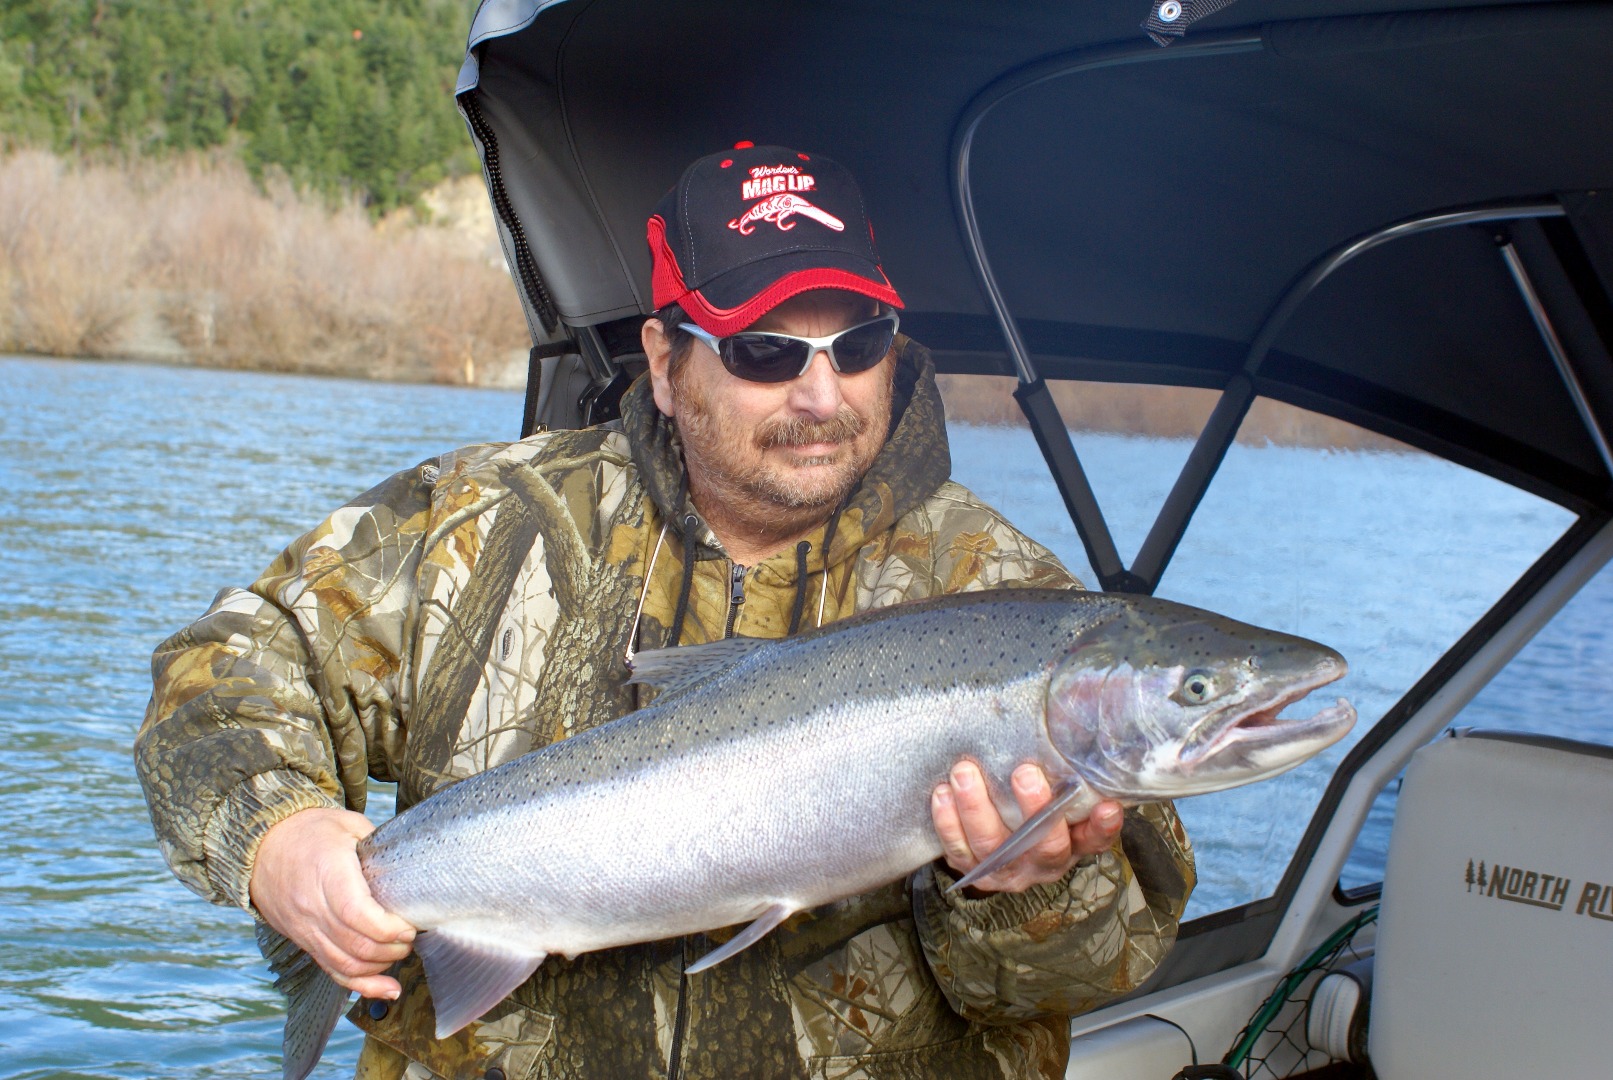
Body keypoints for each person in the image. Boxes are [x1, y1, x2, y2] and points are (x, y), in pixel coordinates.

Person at [135, 143, 1194, 1080]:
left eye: (857, 344)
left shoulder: (1017, 606)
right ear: (662, 357)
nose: (822, 395)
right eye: (765, 351)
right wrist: (274, 840)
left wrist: (1017, 889)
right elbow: (228, 662)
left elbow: (1093, 972)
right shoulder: (469, 524)